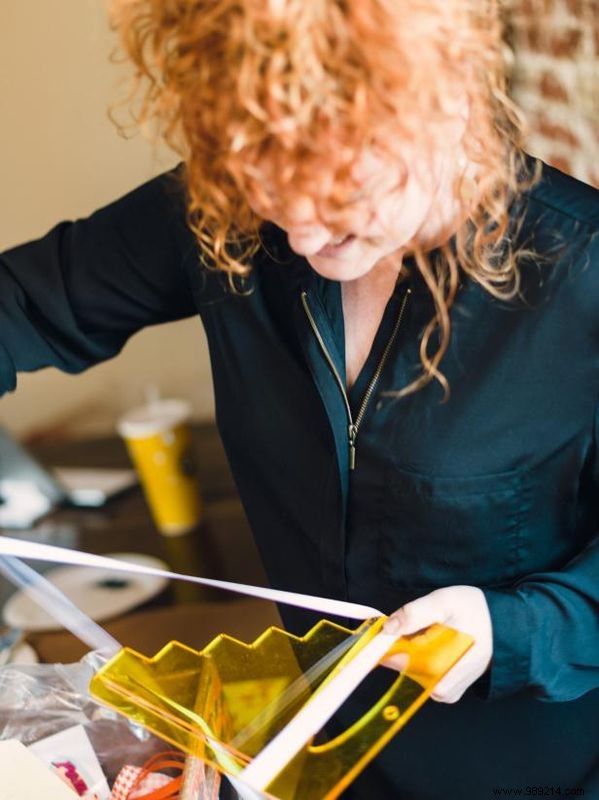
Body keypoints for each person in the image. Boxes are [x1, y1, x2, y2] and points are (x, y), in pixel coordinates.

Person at [1, 0, 598, 797]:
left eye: (343, 203)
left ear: (443, 100)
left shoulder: (583, 272)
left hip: (536, 772)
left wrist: (514, 630)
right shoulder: (232, 210)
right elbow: (25, 303)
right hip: (316, 752)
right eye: (272, 198)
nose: (307, 241)